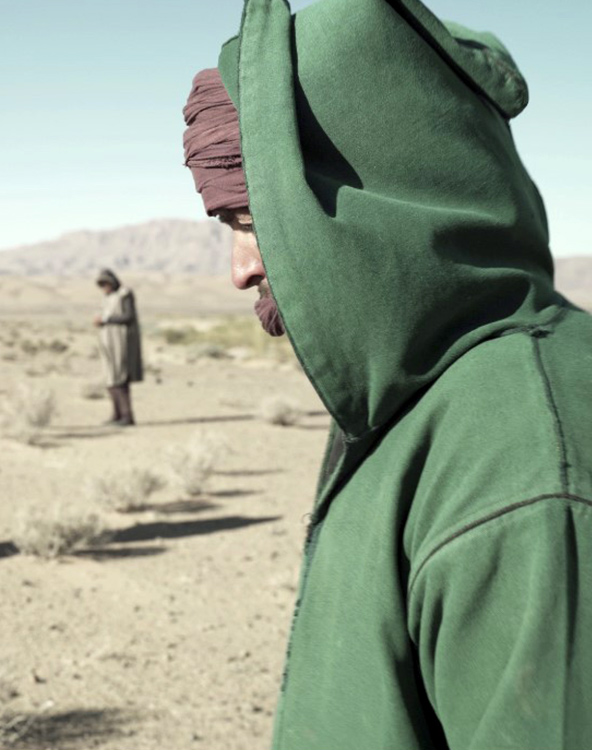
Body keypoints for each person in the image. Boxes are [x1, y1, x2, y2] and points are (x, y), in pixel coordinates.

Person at [183, 1, 592, 749]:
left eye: (253, 221)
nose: (242, 269)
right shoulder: (420, 391)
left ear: (382, 198)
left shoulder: (529, 462)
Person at [94, 268, 142, 426]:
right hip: (109, 343)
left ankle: (127, 415)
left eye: (106, 284)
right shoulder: (108, 299)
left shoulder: (125, 294)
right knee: (110, 379)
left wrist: (107, 320)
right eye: (101, 285)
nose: (104, 288)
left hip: (121, 343)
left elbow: (128, 316)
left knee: (120, 378)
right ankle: (116, 414)